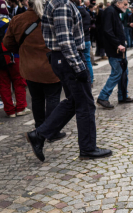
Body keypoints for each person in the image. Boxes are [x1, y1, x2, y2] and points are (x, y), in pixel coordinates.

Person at [25, 0, 112, 162]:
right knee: (85, 104)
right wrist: (79, 67)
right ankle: (87, 148)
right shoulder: (62, 4)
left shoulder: (59, 3)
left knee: (74, 101)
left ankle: (40, 134)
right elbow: (65, 40)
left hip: (63, 59)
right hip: (68, 59)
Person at [3, 0, 67, 142]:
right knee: (52, 98)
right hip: (51, 66)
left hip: (29, 67)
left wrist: (24, 51)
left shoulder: (17, 19)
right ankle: (51, 131)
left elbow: (8, 43)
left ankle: (40, 128)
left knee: (37, 98)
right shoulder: (53, 17)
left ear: (28, 4)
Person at [96, 0, 133, 109]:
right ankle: (103, 97)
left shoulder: (114, 11)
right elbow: (107, 31)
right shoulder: (110, 11)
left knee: (123, 72)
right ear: (118, 3)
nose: (126, 6)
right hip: (115, 49)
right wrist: (117, 44)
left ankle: (123, 96)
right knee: (117, 72)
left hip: (119, 48)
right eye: (125, 4)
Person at [0, 0, 30, 118]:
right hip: (13, 56)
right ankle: (21, 107)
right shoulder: (10, 22)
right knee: (19, 81)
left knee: (3, 84)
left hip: (0, 59)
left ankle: (10, 110)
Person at [75, 0, 94, 86]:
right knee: (87, 60)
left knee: (81, 60)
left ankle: (86, 79)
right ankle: (91, 79)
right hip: (87, 39)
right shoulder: (86, 13)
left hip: (80, 40)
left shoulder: (75, 12)